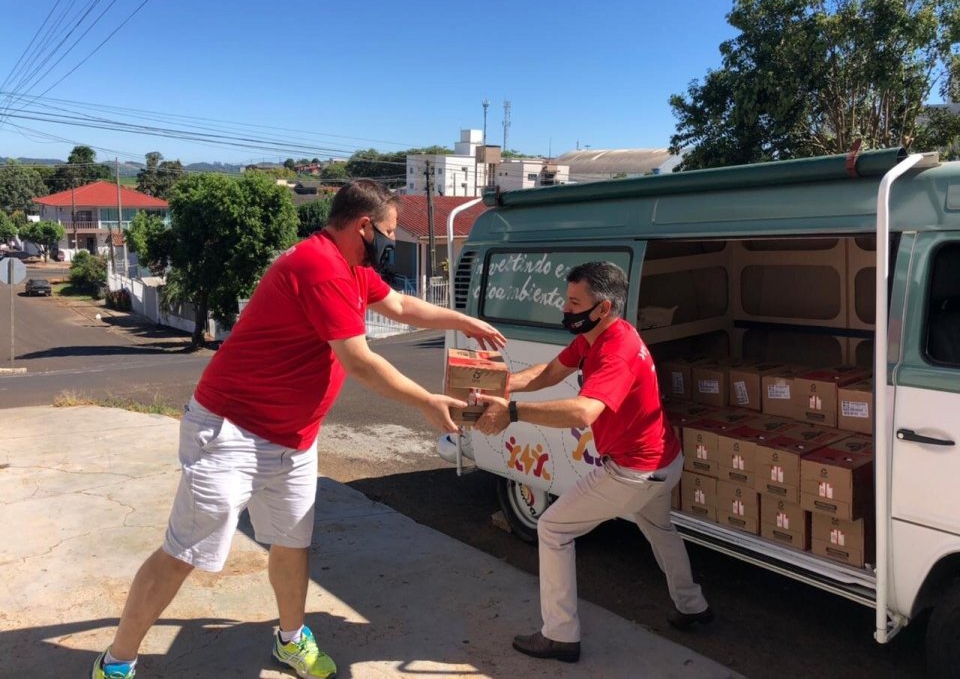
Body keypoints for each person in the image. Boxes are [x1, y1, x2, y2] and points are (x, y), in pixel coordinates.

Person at [92, 179, 506, 679]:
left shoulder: (353, 267)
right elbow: (359, 360)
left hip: (293, 437)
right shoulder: (320, 266)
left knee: (291, 546)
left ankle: (290, 641)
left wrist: (463, 320)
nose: (393, 241)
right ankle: (117, 660)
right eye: (391, 231)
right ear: (364, 225)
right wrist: (424, 400)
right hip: (232, 431)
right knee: (186, 553)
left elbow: (399, 306)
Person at [473, 260, 710, 664]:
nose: (565, 309)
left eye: (573, 301)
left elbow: (584, 412)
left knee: (551, 528)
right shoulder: (598, 336)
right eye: (566, 299)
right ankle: (693, 606)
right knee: (659, 529)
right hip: (664, 461)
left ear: (602, 307)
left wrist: (511, 412)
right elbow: (550, 373)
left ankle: (560, 635)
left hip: (634, 472)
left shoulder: (616, 351)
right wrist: (497, 383)